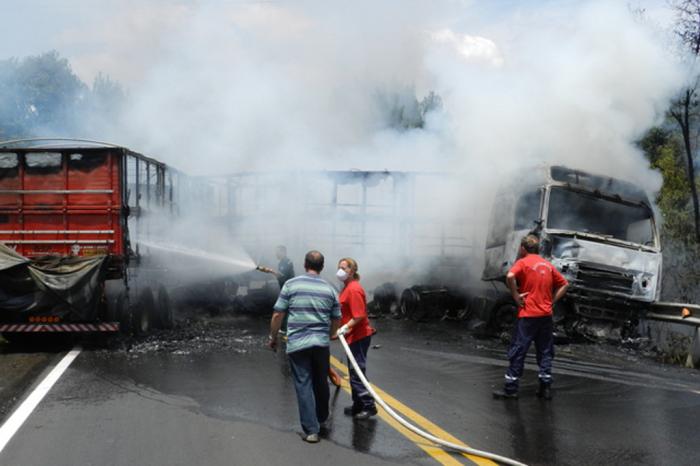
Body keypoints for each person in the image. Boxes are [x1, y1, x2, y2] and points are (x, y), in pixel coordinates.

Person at [268, 250, 341, 443]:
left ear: (304, 264)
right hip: (320, 344)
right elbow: (336, 317)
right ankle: (322, 417)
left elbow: (277, 315)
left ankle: (311, 430)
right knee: (320, 381)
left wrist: (273, 337)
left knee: (303, 384)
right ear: (322, 267)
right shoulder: (330, 288)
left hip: (298, 343)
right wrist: (332, 333)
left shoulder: (291, 285)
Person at [493, 234, 569, 400]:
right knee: (545, 351)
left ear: (523, 248)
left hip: (528, 315)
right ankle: (545, 388)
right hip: (546, 316)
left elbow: (510, 276)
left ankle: (511, 389)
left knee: (519, 349)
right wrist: (552, 301)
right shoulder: (547, 265)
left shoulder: (523, 262)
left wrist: (515, 296)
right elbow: (564, 284)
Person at [334, 257, 377, 420]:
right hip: (351, 336)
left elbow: (359, 315)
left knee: (357, 371)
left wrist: (345, 328)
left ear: (352, 271)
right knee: (353, 370)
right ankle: (357, 404)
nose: (340, 271)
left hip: (358, 336)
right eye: (339, 267)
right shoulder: (346, 287)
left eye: (344, 268)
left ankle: (368, 405)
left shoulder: (353, 289)